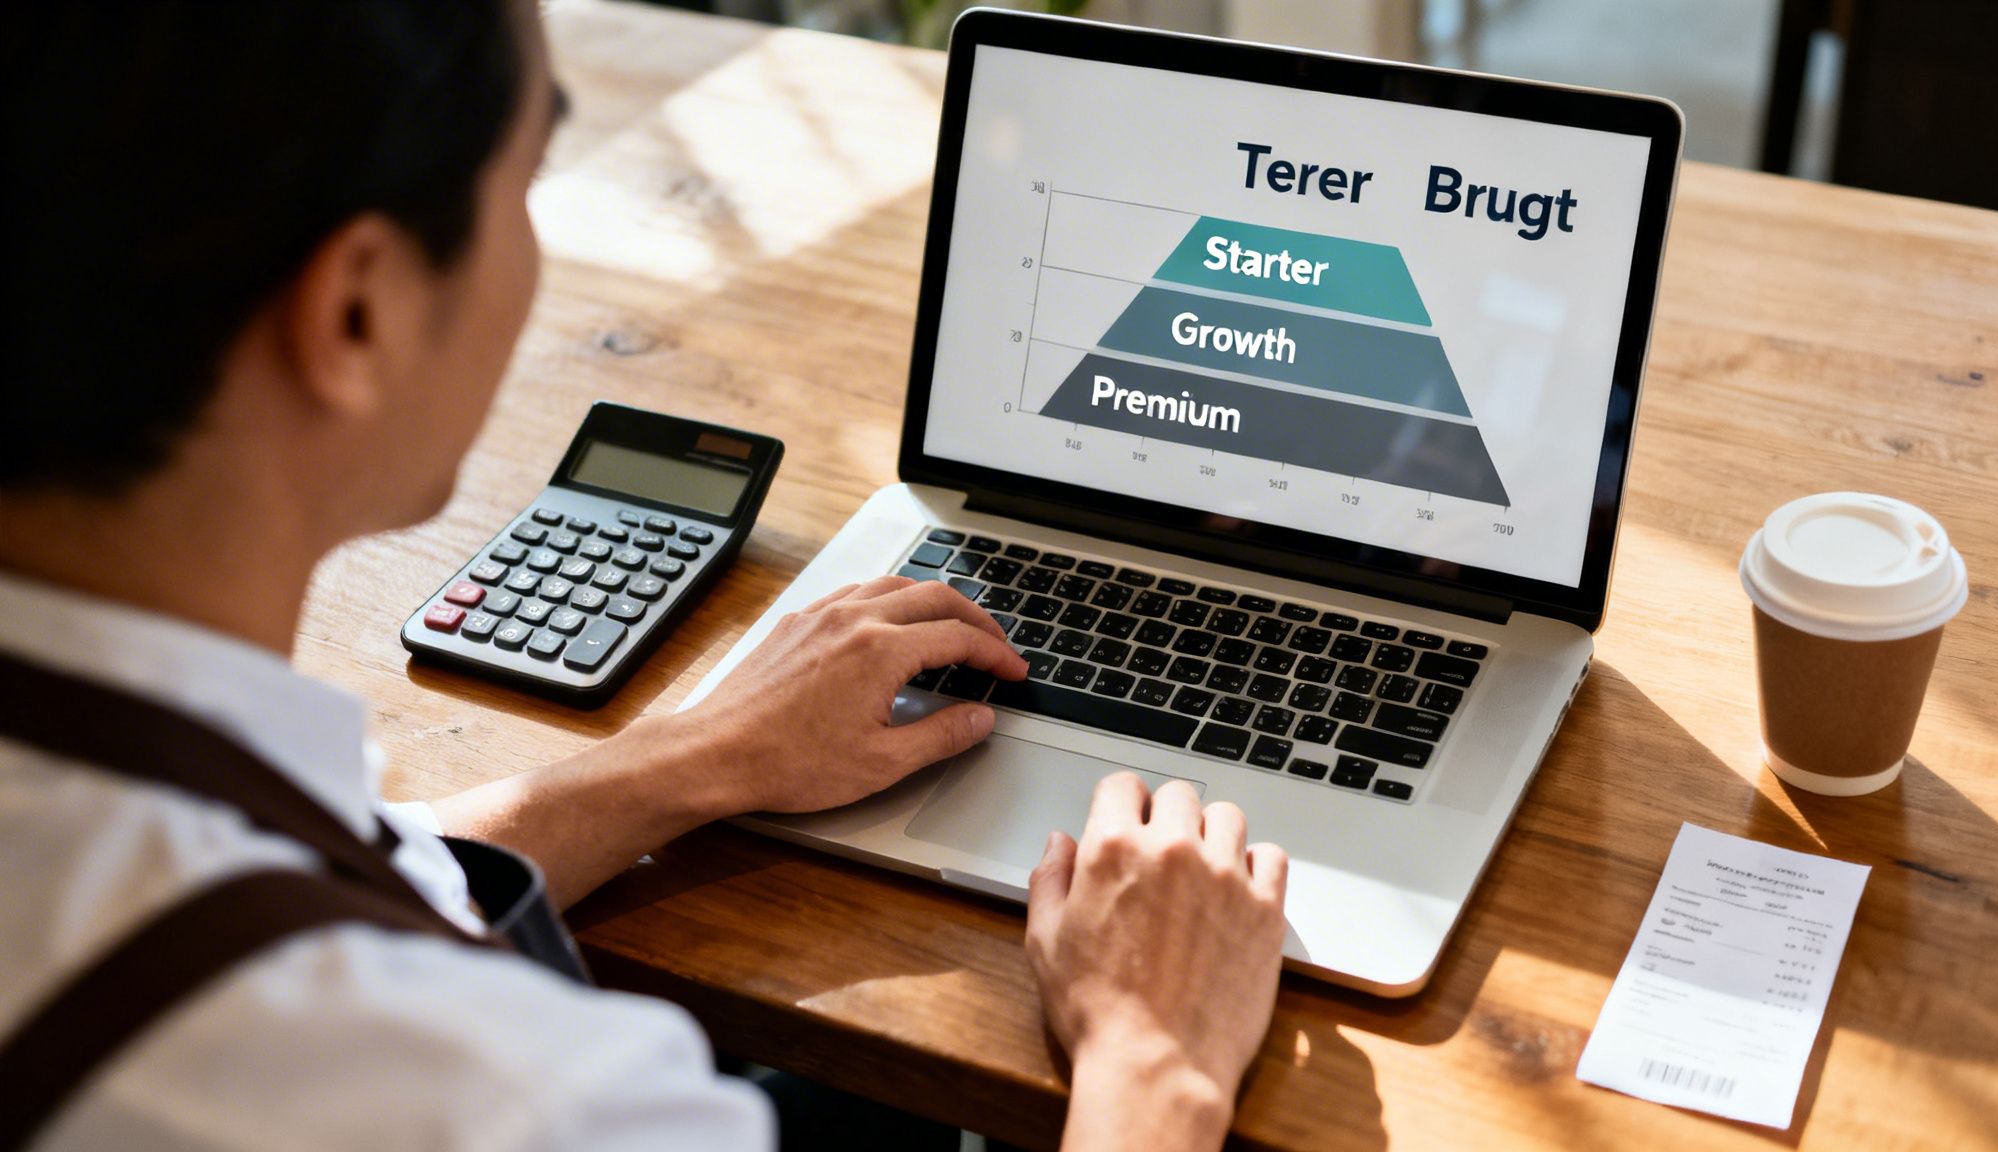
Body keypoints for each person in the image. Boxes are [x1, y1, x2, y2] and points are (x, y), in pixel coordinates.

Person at [0, 2, 1290, 1150]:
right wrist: (1153, 1068)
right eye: (529, 180)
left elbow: (320, 867)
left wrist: (695, 756)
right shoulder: (499, 1098)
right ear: (357, 313)